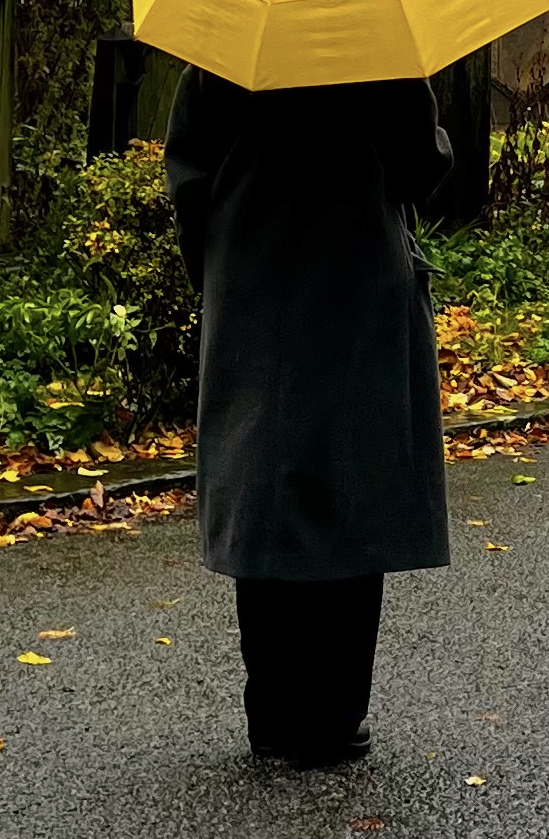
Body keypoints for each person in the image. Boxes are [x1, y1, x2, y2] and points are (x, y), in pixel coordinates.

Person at [164, 68, 454, 768]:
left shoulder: (227, 50)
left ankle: (274, 710)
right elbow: (422, 167)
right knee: (356, 483)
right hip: (358, 278)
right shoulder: (381, 50)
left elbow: (189, 177)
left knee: (263, 483)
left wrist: (218, 267)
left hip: (255, 276)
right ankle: (333, 713)